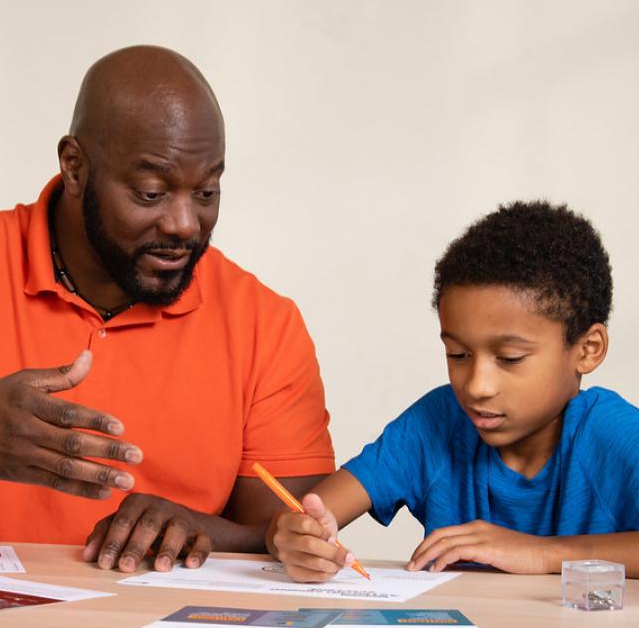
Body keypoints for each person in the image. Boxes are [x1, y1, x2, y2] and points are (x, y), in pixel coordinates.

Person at [0, 46, 335, 572]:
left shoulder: (263, 324)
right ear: (75, 167)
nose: (185, 223)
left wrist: (200, 528)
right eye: (151, 192)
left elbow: (294, 541)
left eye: (206, 190)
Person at [269, 201, 639, 580]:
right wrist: (297, 538)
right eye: (458, 354)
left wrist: (541, 554)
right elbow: (298, 518)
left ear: (587, 349)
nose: (476, 386)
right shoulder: (438, 422)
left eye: (510, 358)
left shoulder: (613, 435)